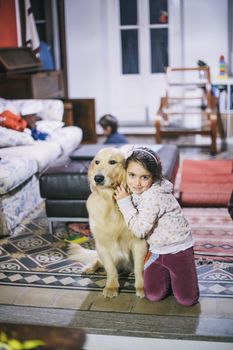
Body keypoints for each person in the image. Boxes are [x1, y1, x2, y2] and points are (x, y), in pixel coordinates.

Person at [114, 146, 199, 306]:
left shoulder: (155, 196)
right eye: (132, 175)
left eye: (144, 177)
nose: (137, 183)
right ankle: (167, 276)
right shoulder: (138, 189)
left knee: (187, 300)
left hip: (178, 250)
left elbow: (139, 230)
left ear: (154, 176)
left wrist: (124, 202)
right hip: (156, 251)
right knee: (153, 295)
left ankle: (181, 276)